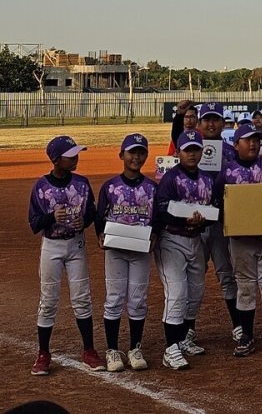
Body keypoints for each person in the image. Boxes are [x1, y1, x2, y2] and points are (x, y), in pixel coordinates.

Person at [28, 136, 103, 375]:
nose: (76, 158)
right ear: (56, 159)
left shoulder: (82, 183)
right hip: (51, 246)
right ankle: (43, 353)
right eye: (70, 155)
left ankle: (89, 350)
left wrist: (85, 221)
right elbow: (34, 223)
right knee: (48, 300)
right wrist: (51, 217)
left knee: (82, 298)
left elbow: (92, 212)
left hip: (76, 245)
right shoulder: (41, 186)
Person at [215, 125, 262, 358]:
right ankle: (246, 335)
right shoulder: (227, 171)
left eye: (256, 140)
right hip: (241, 239)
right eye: (247, 140)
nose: (253, 144)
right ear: (236, 145)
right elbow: (217, 202)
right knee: (245, 287)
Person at [96, 133, 158, 372]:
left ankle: (134, 347)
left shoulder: (151, 187)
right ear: (121, 155)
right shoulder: (111, 186)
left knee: (138, 299)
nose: (136, 157)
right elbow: (100, 215)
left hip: (141, 248)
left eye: (141, 152)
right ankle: (112, 350)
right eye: (132, 152)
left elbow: (158, 218)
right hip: (115, 249)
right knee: (114, 298)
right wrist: (100, 234)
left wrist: (154, 236)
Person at [154, 130, 215, 370]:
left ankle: (183, 337)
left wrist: (202, 222)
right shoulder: (170, 178)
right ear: (178, 152)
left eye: (196, 149)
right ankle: (171, 349)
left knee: (196, 292)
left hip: (195, 240)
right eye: (187, 149)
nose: (192, 154)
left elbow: (214, 210)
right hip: (171, 239)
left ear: (202, 151)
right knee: (177, 292)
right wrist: (185, 221)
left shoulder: (208, 179)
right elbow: (161, 210)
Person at [197, 103, 240, 341]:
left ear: (223, 123)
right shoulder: (190, 148)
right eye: (207, 120)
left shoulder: (231, 152)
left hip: (222, 221)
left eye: (215, 120)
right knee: (194, 275)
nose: (211, 124)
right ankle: (187, 328)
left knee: (226, 273)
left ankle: (238, 325)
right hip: (195, 223)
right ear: (200, 123)